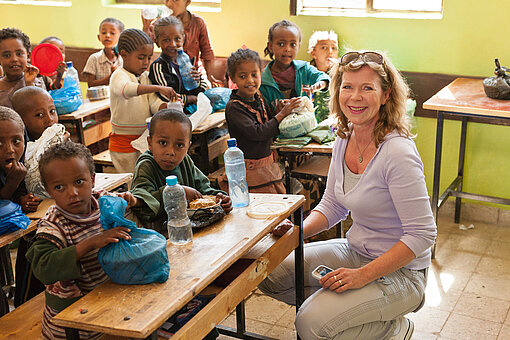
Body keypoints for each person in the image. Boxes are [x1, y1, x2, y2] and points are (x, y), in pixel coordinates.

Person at [259, 51, 437, 340]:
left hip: (402, 273)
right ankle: (350, 314)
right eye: (348, 86)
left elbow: (422, 235)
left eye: (367, 88)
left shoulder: (398, 152)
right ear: (337, 91)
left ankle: (393, 327)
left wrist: (361, 277)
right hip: (356, 251)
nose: (355, 97)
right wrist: (295, 232)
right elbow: (332, 204)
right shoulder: (344, 137)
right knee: (268, 270)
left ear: (385, 95)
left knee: (310, 324)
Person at [26, 140, 136, 339]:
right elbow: (43, 267)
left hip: (107, 303)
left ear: (92, 180)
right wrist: (91, 243)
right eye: (59, 187)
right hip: (73, 322)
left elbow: (127, 204)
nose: (73, 193)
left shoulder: (102, 202)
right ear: (49, 191)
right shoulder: (53, 224)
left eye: (79, 182)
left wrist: (132, 201)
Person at [130, 108, 232, 235]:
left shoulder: (185, 161)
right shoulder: (146, 165)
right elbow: (142, 202)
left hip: (190, 229)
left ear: (187, 147)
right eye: (163, 142)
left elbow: (203, 189)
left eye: (179, 145)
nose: (170, 152)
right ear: (150, 143)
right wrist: (177, 192)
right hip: (159, 236)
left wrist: (219, 198)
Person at [225, 48, 302, 194]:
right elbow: (258, 132)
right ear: (233, 78)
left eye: (254, 75)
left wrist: (278, 110)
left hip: (267, 163)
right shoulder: (234, 107)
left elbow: (267, 119)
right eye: (242, 76)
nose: (250, 81)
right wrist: (281, 115)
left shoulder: (258, 96)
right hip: (250, 169)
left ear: (261, 74)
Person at [109, 28, 175, 173]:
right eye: (141, 57)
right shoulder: (118, 75)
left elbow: (153, 103)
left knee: (144, 178)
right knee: (132, 182)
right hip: (123, 145)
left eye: (149, 58)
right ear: (124, 55)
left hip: (143, 140)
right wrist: (158, 88)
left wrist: (167, 107)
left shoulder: (145, 76)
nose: (146, 62)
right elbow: (127, 90)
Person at [141, 0, 221, 87]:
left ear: (188, 2)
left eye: (175, 0)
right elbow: (145, 47)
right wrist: (145, 28)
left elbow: (207, 53)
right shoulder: (161, 24)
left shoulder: (198, 23)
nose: (169, 4)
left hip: (194, 74)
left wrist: (210, 77)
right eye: (167, 0)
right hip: (171, 74)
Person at [260, 20, 330, 111]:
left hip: (306, 122)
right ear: (270, 47)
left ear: (298, 46)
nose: (287, 49)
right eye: (281, 44)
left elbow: (323, 77)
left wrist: (320, 84)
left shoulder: (304, 69)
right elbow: (264, 112)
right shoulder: (263, 81)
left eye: (293, 44)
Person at [149, 16, 206, 115]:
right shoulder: (158, 67)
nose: (173, 44)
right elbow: (167, 95)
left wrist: (197, 81)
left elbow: (201, 88)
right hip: (174, 116)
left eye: (177, 39)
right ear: (157, 42)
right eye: (166, 40)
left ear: (183, 38)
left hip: (193, 110)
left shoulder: (187, 60)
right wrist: (191, 98)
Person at [0, 27, 45, 109]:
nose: (14, 59)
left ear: (27, 56)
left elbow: (41, 111)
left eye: (19, 54)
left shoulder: (36, 83)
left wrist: (29, 84)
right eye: (7, 55)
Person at [308, 30, 339, 123]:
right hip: (311, 121)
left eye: (334, 48)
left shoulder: (340, 73)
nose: (330, 52)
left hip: (333, 122)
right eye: (324, 48)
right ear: (313, 53)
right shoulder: (307, 72)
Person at [83, 17, 125, 87]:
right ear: (99, 37)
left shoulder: (124, 59)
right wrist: (110, 78)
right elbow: (90, 84)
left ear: (121, 37)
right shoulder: (94, 58)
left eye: (112, 33)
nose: (107, 35)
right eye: (104, 32)